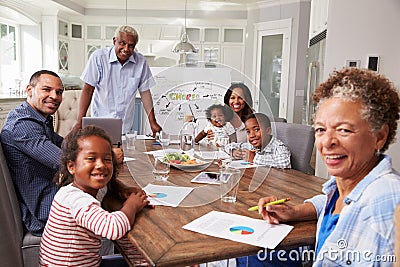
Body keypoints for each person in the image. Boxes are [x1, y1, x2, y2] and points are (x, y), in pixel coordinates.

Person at [257, 68, 400, 266]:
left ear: (379, 137)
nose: (327, 142)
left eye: (344, 130)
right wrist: (294, 212)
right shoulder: (342, 187)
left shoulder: (388, 203)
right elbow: (328, 202)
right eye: (321, 130)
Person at [39, 125, 149, 267]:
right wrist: (132, 205)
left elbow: (107, 186)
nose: (101, 165)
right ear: (71, 166)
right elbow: (113, 228)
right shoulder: (77, 200)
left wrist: (122, 187)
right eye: (91, 159)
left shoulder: (76, 190)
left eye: (107, 159)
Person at [0, 70, 64, 236]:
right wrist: (107, 156)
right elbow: (63, 161)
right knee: (112, 197)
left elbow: (65, 145)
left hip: (48, 196)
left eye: (59, 92)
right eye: (46, 89)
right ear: (29, 90)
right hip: (42, 210)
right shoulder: (23, 125)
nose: (54, 96)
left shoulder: (36, 118)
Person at [75, 25, 162, 135]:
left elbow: (145, 93)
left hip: (125, 126)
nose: (126, 49)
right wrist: (79, 122)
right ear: (114, 41)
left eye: (131, 46)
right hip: (99, 125)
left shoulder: (141, 61)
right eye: (122, 43)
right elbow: (88, 90)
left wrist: (152, 122)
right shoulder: (99, 57)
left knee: (123, 152)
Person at [227, 113, 291, 168]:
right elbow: (228, 146)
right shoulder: (251, 145)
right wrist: (233, 151)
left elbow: (284, 164)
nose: (252, 135)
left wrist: (254, 158)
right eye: (248, 132)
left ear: (268, 131)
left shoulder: (279, 148)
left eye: (257, 130)